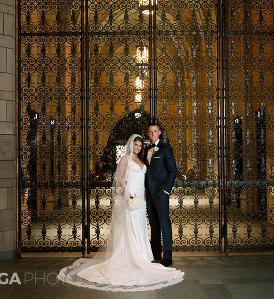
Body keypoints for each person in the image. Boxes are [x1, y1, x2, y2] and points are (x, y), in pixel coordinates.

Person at [57, 134, 184, 291]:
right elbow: (119, 177)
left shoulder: (142, 159)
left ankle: (143, 256)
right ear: (131, 145)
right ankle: (131, 256)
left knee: (141, 224)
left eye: (139, 145)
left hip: (142, 197)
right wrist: (127, 192)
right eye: (135, 145)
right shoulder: (125, 158)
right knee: (130, 224)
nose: (138, 148)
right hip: (131, 195)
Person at [145, 122, 178, 267]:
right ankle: (156, 254)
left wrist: (166, 190)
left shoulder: (166, 149)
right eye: (150, 132)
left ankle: (168, 256)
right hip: (149, 194)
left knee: (164, 223)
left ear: (159, 133)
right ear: (148, 134)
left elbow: (173, 170)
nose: (152, 134)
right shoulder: (146, 149)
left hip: (161, 192)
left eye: (155, 131)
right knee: (153, 224)